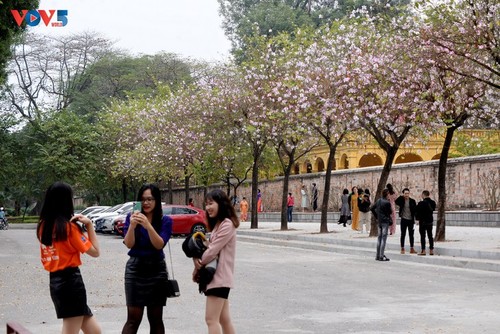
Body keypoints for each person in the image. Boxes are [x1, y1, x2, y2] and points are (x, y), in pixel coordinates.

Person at [36, 181, 101, 334]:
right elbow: (95, 252)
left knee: (94, 331)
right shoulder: (68, 227)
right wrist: (89, 225)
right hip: (71, 282)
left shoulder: (43, 226)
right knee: (70, 331)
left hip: (55, 282)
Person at [122, 183, 173, 334]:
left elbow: (159, 245)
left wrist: (148, 226)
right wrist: (132, 226)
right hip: (135, 270)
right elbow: (129, 244)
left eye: (150, 199)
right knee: (133, 319)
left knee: (156, 318)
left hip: (157, 270)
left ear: (157, 201)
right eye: (143, 199)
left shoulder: (165, 221)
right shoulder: (130, 218)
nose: (146, 203)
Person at [192, 189, 238, 334]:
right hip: (219, 279)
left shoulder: (227, 224)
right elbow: (209, 247)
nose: (208, 208)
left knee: (211, 320)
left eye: (211, 203)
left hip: (220, 278)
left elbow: (212, 251)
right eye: (206, 204)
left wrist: (199, 262)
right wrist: (196, 258)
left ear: (221, 204)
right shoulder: (219, 225)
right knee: (225, 320)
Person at [371, 188, 393, 261]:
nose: (389, 195)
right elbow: (390, 212)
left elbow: (372, 208)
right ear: (387, 194)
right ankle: (381, 256)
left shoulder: (378, 200)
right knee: (383, 239)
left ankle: (377, 255)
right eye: (389, 194)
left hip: (380, 221)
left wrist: (377, 216)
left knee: (379, 239)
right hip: (385, 222)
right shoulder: (387, 202)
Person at [395, 188, 417, 254]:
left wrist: (416, 219)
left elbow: (415, 211)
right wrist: (402, 196)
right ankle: (402, 248)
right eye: (405, 193)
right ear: (403, 194)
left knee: (411, 235)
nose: (406, 195)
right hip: (403, 220)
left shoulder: (412, 201)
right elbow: (396, 201)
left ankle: (412, 248)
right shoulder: (401, 200)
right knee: (403, 234)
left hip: (410, 220)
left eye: (407, 193)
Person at [415, 190, 437, 256]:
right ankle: (431, 250)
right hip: (430, 221)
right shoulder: (433, 202)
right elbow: (433, 210)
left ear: (423, 195)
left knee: (422, 236)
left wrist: (417, 219)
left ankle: (423, 250)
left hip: (422, 222)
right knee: (430, 236)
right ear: (429, 194)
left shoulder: (420, 203)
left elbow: (417, 212)